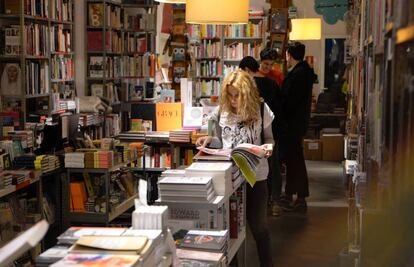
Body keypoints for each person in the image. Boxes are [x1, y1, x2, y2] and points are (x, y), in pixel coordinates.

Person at [196, 69, 274, 267]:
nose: (232, 100)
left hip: (257, 175)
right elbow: (217, 139)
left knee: (259, 227)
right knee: (231, 228)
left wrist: (269, 147)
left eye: (237, 95)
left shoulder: (261, 109)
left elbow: (270, 138)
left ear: (246, 93)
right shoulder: (222, 110)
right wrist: (209, 139)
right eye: (229, 95)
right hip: (229, 176)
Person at [239, 56, 283, 216]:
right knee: (271, 167)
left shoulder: (245, 87)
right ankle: (273, 201)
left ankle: (249, 206)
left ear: (245, 70)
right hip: (270, 130)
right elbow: (280, 107)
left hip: (252, 136)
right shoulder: (272, 83)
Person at [278, 42, 315, 212]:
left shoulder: (298, 74)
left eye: (287, 54)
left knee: (295, 161)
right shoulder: (304, 72)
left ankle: (299, 196)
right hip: (297, 123)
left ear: (290, 55)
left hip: (292, 124)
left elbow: (290, 101)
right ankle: (292, 194)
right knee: (294, 160)